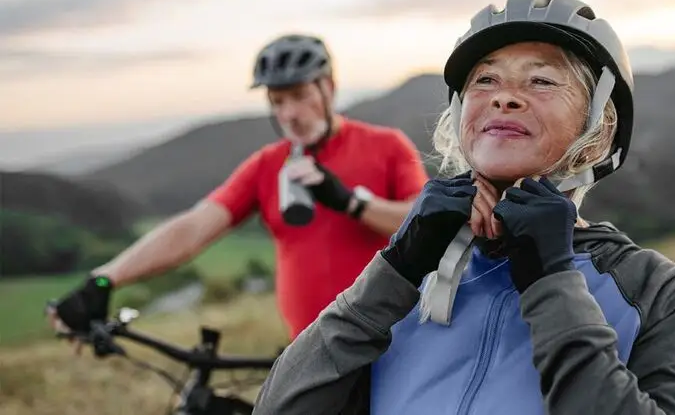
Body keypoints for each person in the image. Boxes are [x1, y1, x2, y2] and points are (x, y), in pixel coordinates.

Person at [251, 0, 675, 415]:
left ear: (599, 130)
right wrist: (396, 267)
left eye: (542, 80)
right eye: (486, 79)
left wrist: (552, 280)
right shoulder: (413, 280)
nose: (505, 96)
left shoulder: (654, 289)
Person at [47, 33, 429, 343]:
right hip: (310, 351)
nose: (289, 114)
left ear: (328, 88)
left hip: (391, 339)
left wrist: (351, 202)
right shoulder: (268, 165)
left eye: (299, 96)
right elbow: (193, 228)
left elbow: (424, 224)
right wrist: (104, 279)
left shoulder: (387, 145)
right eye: (277, 101)